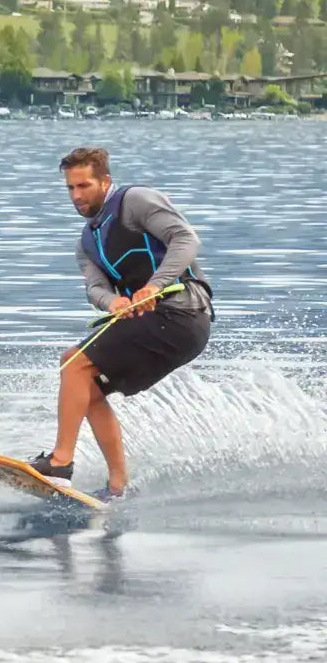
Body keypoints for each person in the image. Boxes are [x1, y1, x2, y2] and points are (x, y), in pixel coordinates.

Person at [26, 146, 214, 499]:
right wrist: (112, 301)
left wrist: (154, 286)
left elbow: (187, 239)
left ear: (105, 181)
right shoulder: (86, 242)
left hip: (182, 313)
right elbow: (95, 288)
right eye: (70, 188)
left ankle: (60, 464)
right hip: (156, 322)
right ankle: (117, 486)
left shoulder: (137, 201)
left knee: (73, 363)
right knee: (86, 389)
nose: (77, 196)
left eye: (84, 186)